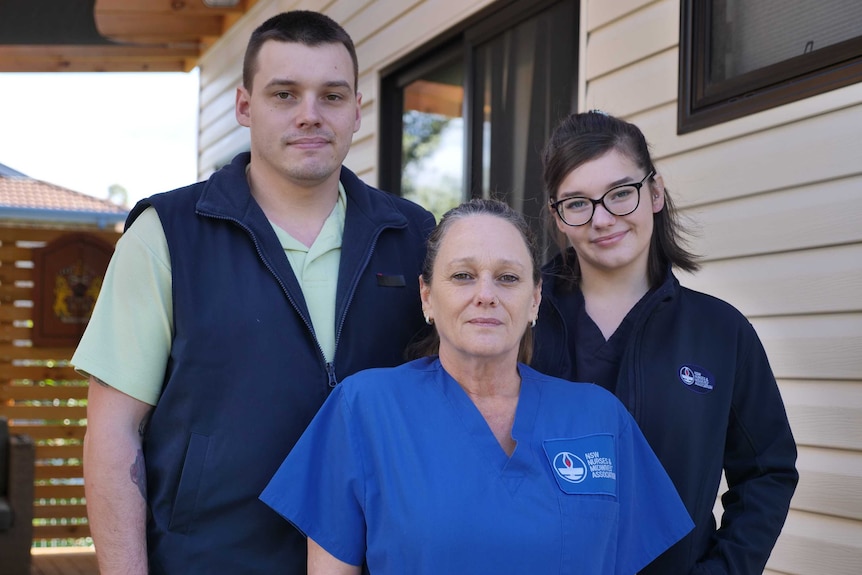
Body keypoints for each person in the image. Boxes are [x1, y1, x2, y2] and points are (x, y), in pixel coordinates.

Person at [73, 11, 435, 575]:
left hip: (379, 558)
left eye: (332, 96)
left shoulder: (414, 236)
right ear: (245, 106)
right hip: (211, 559)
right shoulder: (167, 233)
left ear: (358, 109)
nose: (310, 115)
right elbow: (113, 432)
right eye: (284, 94)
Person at [260, 198, 694, 575]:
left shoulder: (599, 418)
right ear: (427, 297)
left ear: (535, 299)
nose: (486, 294)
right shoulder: (364, 409)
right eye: (463, 276)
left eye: (507, 278)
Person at [532, 110, 798, 574]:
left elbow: (766, 473)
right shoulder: (521, 322)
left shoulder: (721, 332)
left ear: (654, 193)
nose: (602, 219)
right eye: (577, 202)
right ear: (557, 217)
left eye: (620, 193)